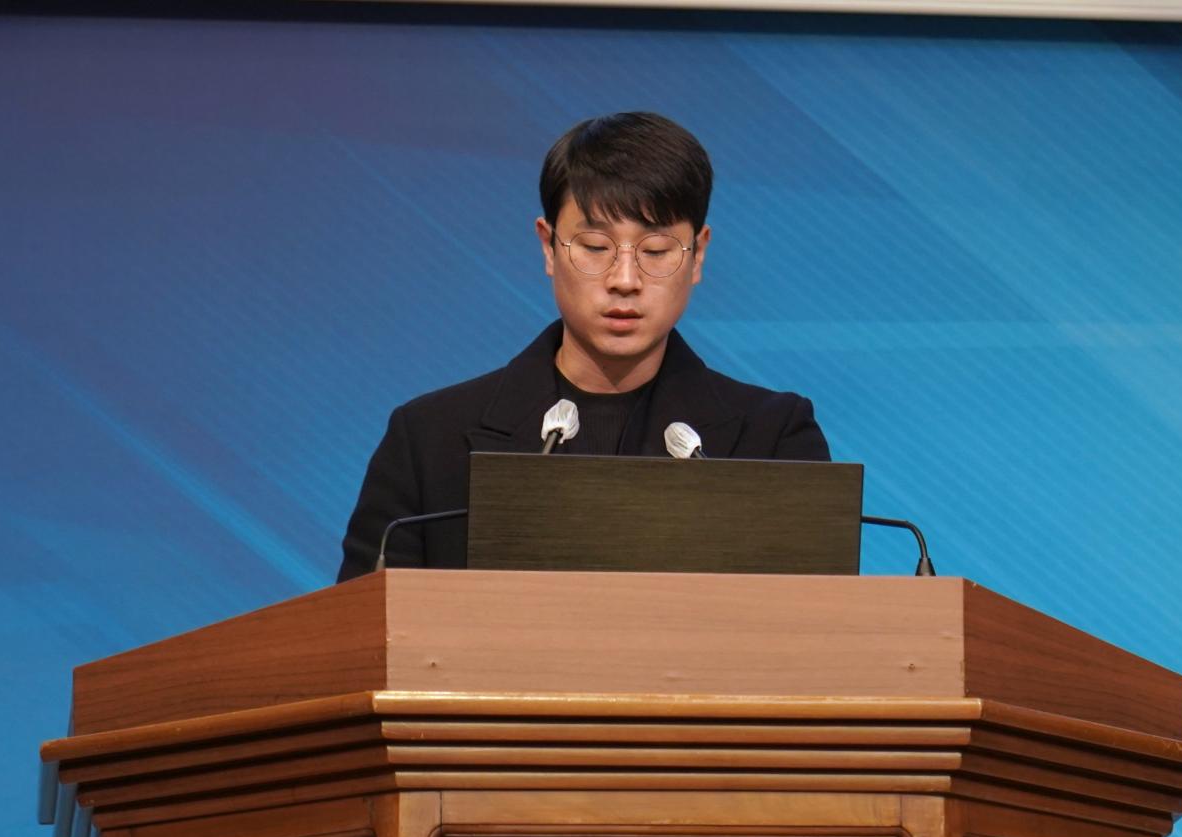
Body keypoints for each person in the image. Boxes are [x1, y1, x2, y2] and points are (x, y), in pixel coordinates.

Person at [336, 112, 830, 582]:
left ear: (697, 255)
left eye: (656, 250)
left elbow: (817, 628)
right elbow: (363, 629)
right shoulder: (428, 441)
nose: (625, 280)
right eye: (595, 247)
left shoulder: (772, 441)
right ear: (548, 246)